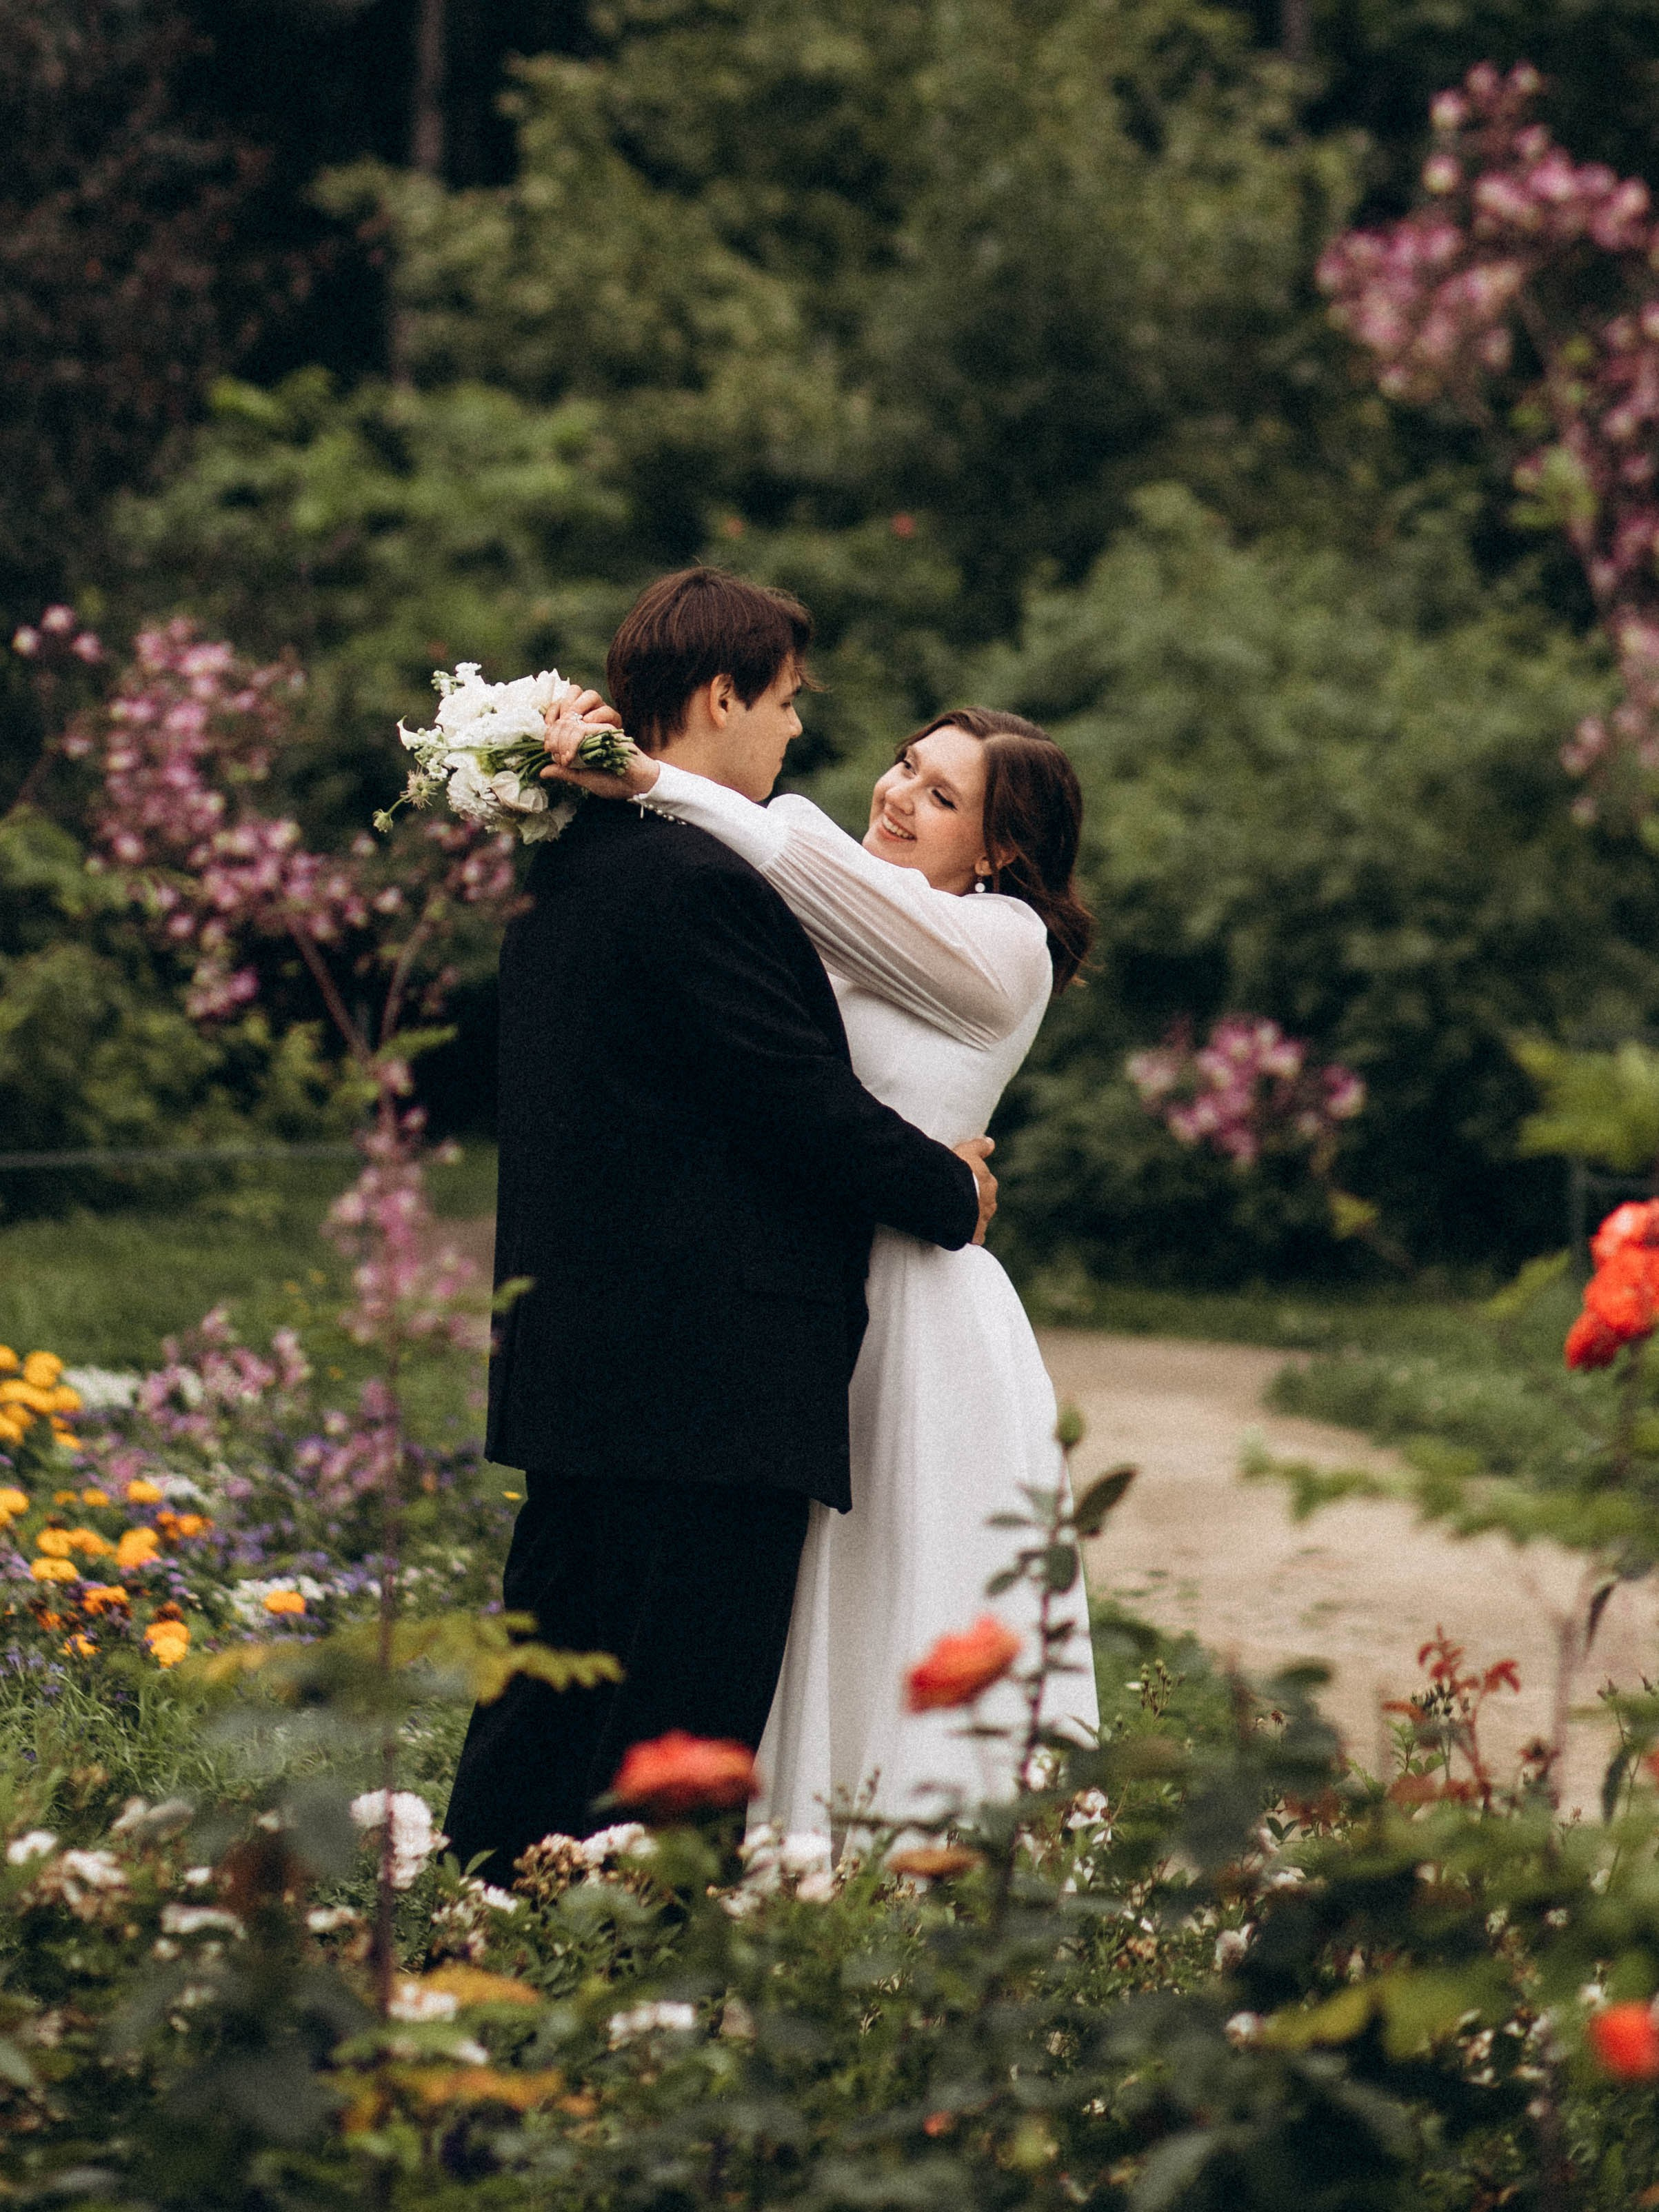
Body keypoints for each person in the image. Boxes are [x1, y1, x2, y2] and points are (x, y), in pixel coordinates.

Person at [442, 570, 997, 1880]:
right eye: (789, 702)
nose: (797, 734)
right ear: (721, 695)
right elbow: (794, 1104)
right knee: (674, 1733)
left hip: (587, 1365)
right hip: (707, 1380)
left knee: (544, 1699)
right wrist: (948, 1190)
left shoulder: (566, 872)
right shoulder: (694, 880)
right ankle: (642, 1989)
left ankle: (473, 1932)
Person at [541, 687, 1100, 1842]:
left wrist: (643, 775)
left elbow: (792, 856)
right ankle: (779, 1853)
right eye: (904, 765)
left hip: (914, 1308)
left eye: (939, 795)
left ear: (999, 850)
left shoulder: (1005, 946)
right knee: (784, 1603)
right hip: (798, 1291)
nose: (895, 793)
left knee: (899, 1588)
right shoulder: (837, 900)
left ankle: (913, 1865)